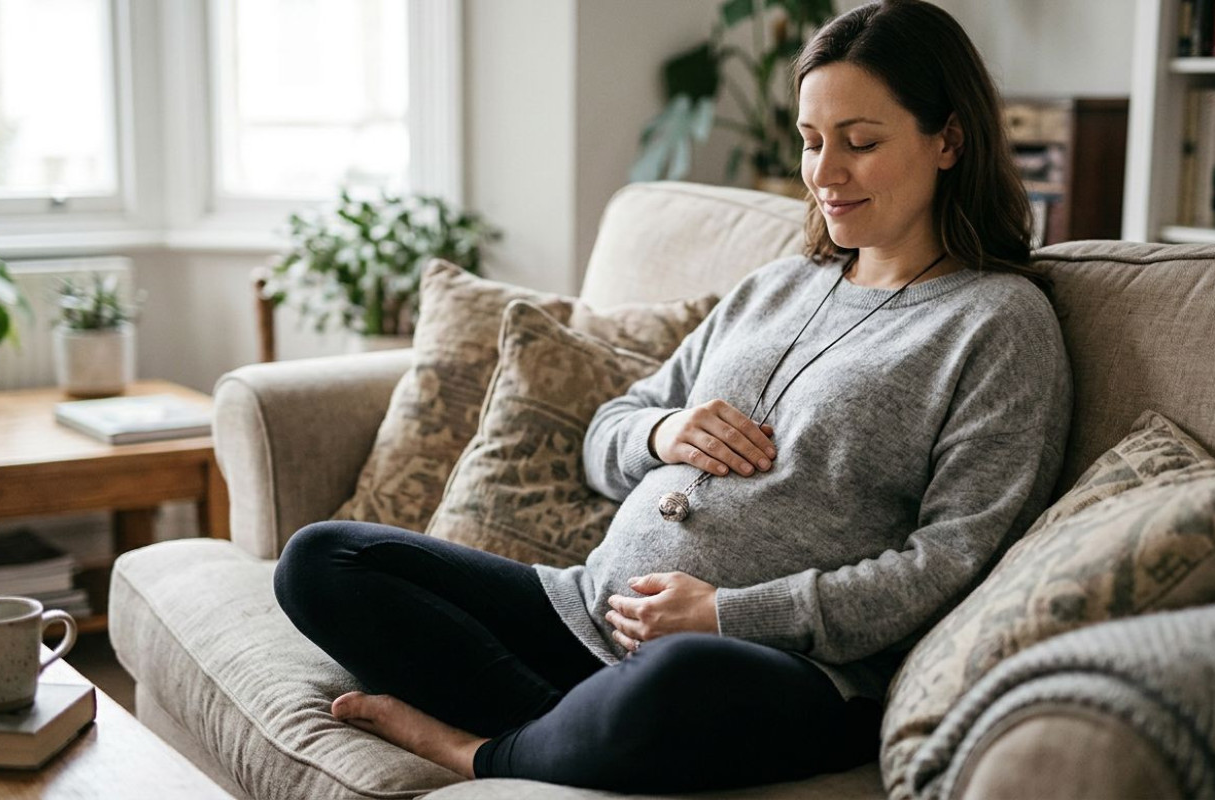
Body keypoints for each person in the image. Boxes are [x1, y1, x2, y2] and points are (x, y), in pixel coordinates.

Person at [272, 0, 1073, 793]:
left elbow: (954, 562)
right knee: (321, 561)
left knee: (680, 680)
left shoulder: (998, 323)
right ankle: (570, 732)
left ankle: (474, 753)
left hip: (779, 668)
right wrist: (663, 433)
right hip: (587, 611)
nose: (825, 174)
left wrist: (728, 614)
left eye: (860, 143)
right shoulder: (776, 286)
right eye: (811, 141)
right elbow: (604, 434)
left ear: (949, 140)